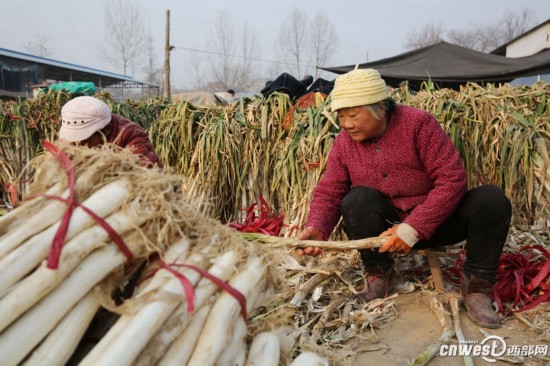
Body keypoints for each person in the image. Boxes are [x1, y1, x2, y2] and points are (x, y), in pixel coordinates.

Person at [295, 68, 511, 329]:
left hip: (438, 222)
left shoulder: (418, 124)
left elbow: (452, 179)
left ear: (380, 108)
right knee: (356, 199)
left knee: (491, 200)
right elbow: (330, 190)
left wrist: (415, 227)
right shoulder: (344, 143)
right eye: (341, 115)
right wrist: (317, 227)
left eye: (353, 115)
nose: (346, 123)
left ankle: (478, 287)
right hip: (388, 231)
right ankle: (379, 274)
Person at [59, 96, 163, 168]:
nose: (78, 147)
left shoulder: (133, 138)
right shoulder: (74, 144)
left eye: (87, 140)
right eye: (73, 141)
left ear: (107, 129)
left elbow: (141, 174)